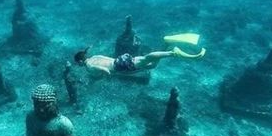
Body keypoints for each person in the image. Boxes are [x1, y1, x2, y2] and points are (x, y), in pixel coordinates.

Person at [74, 34, 205, 76]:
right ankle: (166, 45)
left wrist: (106, 76)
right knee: (151, 65)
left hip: (120, 66)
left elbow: (105, 70)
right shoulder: (94, 56)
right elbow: (108, 59)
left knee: (147, 58)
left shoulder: (89, 66)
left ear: (80, 62)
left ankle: (173, 53)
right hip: (120, 60)